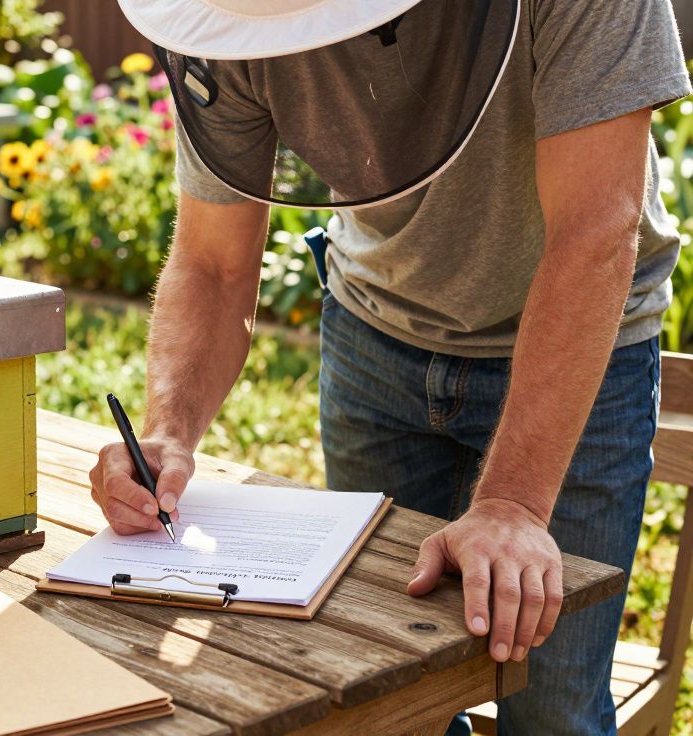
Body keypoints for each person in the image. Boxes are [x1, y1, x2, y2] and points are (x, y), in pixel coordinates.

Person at [88, 0, 692, 733]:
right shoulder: (222, 19)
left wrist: (514, 504)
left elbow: (595, 232)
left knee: (552, 709)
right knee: (387, 699)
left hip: (578, 350)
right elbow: (214, 264)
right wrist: (169, 433)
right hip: (374, 338)